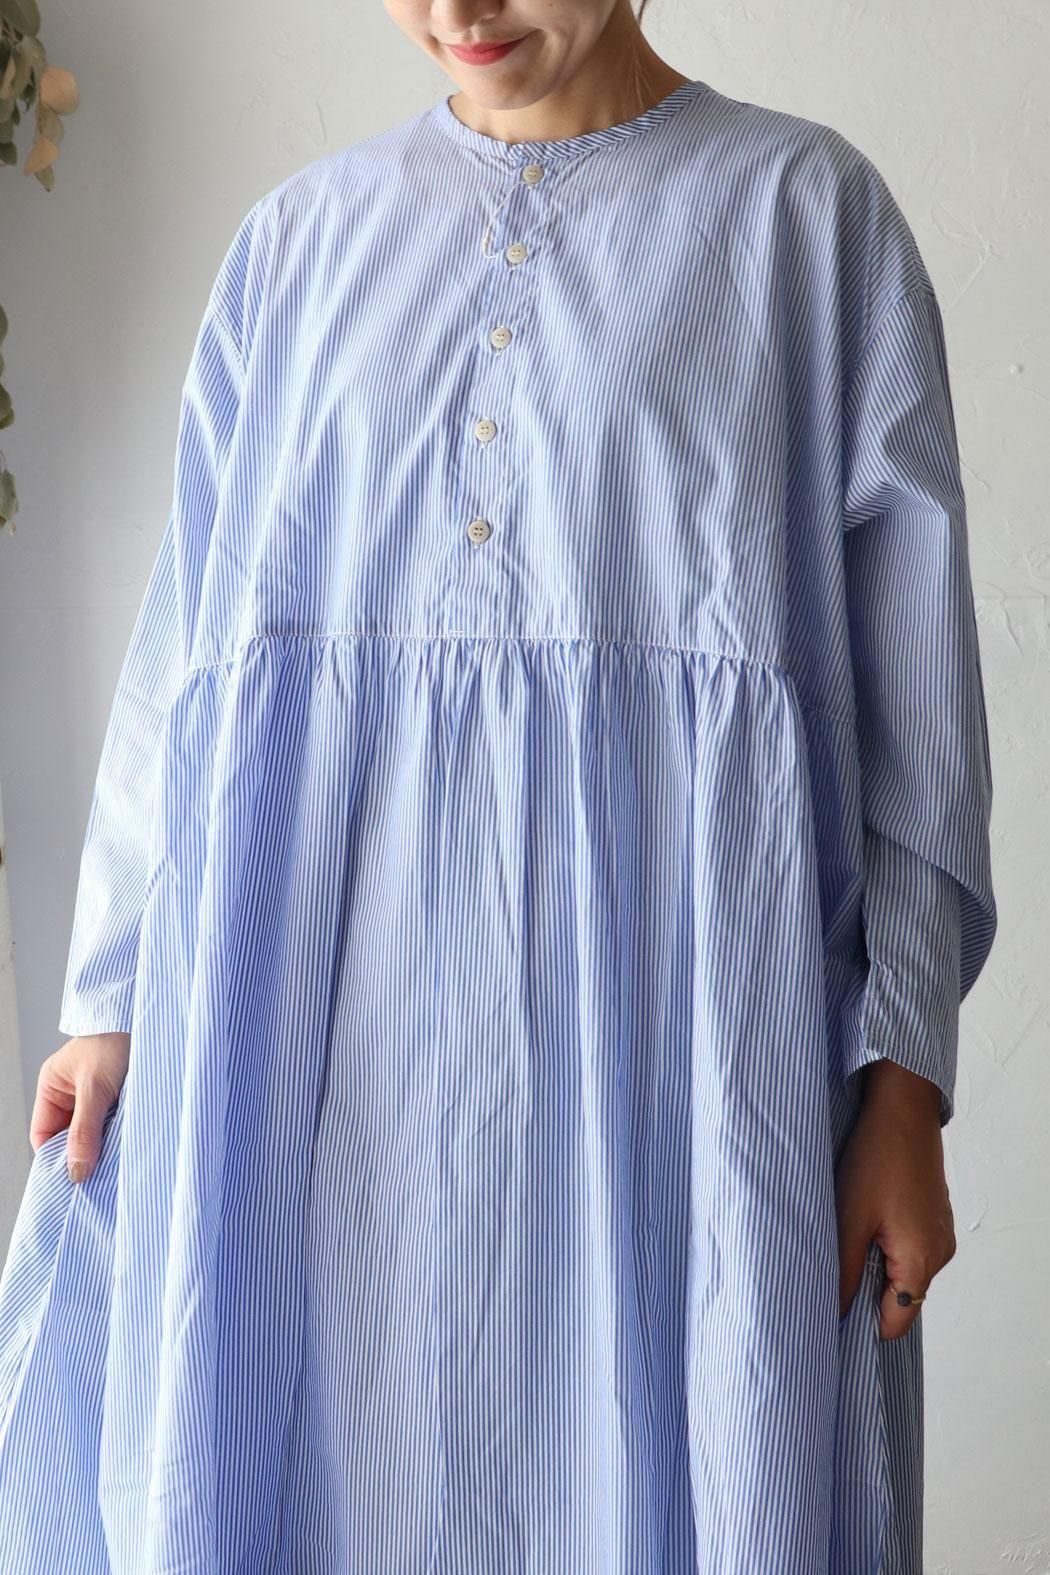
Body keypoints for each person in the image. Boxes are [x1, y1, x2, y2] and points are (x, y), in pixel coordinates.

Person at [0, 2, 997, 1571]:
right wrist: (111, 997)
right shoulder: (293, 246)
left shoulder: (809, 225)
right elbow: (189, 663)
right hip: (318, 1061)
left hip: (672, 1056)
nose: (460, 13)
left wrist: (904, 1084)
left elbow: (916, 719)